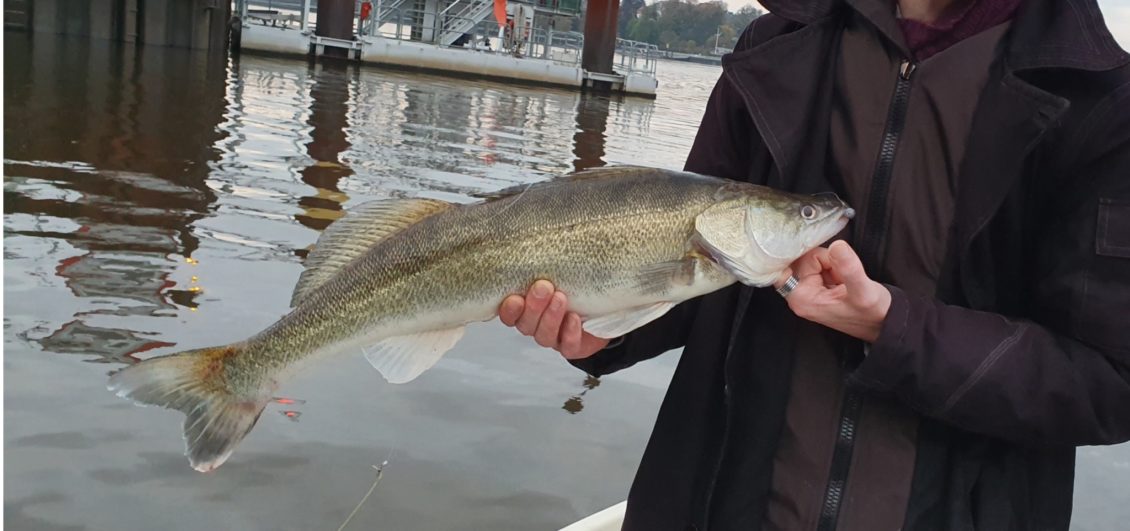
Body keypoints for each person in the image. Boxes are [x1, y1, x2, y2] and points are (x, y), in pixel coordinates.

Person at [498, 0, 1130, 529]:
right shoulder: (777, 45)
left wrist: (893, 327)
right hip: (723, 504)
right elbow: (701, 273)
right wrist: (601, 331)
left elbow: (1108, 382)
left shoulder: (1104, 99)